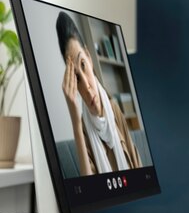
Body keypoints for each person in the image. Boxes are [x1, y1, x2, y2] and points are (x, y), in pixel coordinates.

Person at [56, 11, 142, 176]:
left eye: (83, 65)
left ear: (89, 57)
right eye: (76, 78)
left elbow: (137, 163)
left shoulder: (114, 108)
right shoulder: (83, 129)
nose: (87, 86)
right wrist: (75, 121)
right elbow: (89, 192)